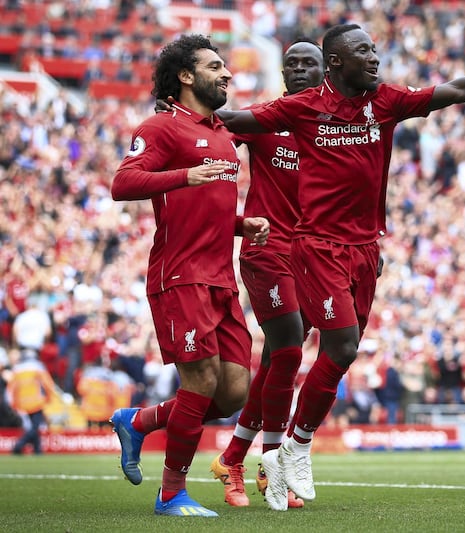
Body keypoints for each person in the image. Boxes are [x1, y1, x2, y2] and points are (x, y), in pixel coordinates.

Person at [212, 23, 465, 508]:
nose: (375, 58)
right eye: (364, 52)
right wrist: (182, 108)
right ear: (336, 62)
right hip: (316, 245)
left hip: (365, 249)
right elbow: (233, 120)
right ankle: (292, 447)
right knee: (330, 345)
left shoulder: (386, 102)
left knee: (339, 353)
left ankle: (284, 448)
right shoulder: (300, 108)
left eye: (374, 49)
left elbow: (457, 90)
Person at [109, 34, 270, 517]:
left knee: (230, 394)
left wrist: (243, 225)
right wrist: (183, 175)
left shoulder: (222, 133)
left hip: (221, 279)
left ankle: (138, 421)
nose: (227, 74)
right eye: (215, 66)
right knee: (199, 381)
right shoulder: (161, 128)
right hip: (180, 276)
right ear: (186, 76)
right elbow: (123, 183)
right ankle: (171, 494)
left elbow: (208, 209)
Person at [207, 38, 325, 510]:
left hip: (317, 256)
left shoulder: (338, 127)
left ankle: (234, 457)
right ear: (283, 73)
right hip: (267, 248)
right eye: (291, 64)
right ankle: (272, 463)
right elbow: (214, 132)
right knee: (291, 350)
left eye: (307, 63)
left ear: (325, 71)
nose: (298, 70)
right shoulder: (265, 119)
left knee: (280, 356)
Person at [7, 348, 60, 455]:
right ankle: (18, 446)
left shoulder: (17, 370)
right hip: (36, 403)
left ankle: (37, 450)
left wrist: (13, 404)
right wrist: (49, 399)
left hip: (22, 404)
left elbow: (11, 389)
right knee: (35, 427)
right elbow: (48, 385)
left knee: (33, 427)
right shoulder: (38, 368)